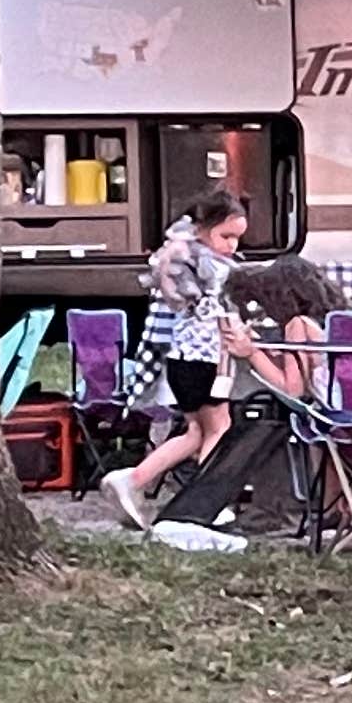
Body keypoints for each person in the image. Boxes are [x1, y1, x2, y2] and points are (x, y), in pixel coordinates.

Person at [141, 257, 339, 554]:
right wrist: (266, 349)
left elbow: (293, 389)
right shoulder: (323, 321)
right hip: (341, 412)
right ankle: (261, 510)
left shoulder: (297, 324)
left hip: (320, 416)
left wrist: (251, 352)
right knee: (265, 410)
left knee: (262, 413)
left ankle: (221, 509)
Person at [102, 188, 246, 527]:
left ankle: (133, 478)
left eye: (238, 238)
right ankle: (207, 502)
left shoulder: (179, 259)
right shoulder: (207, 266)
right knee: (219, 427)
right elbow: (219, 313)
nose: (233, 246)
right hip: (206, 361)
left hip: (182, 360)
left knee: (195, 431)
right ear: (203, 228)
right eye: (226, 236)